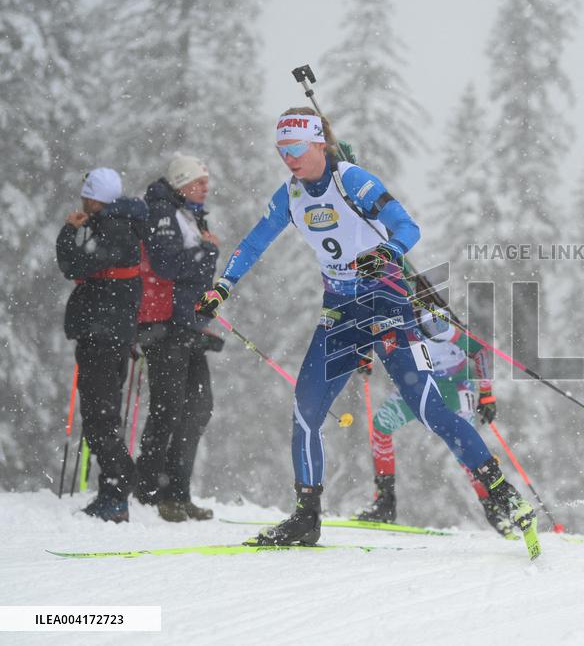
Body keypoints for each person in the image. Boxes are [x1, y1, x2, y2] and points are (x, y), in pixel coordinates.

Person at [196, 107, 538, 548]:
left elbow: (407, 227)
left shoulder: (352, 180)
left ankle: (500, 493)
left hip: (387, 304)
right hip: (341, 312)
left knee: (432, 409)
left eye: (297, 148)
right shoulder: (292, 195)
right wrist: (223, 285)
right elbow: (255, 241)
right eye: (282, 150)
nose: (289, 158)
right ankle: (306, 515)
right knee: (306, 408)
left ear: (319, 142)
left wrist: (388, 252)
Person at [354, 309, 513, 537]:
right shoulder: (385, 317)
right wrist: (365, 355)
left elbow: (479, 352)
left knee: (463, 449)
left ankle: (493, 506)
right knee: (381, 426)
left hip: (455, 387)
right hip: (421, 385)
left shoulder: (430, 320)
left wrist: (486, 393)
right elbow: (375, 338)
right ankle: (384, 503)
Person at [134, 154, 222, 522]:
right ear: (182, 184)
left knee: (198, 408)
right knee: (168, 410)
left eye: (205, 182)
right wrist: (208, 250)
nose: (205, 188)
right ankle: (151, 490)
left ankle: (178, 491)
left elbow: (189, 269)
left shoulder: (186, 213)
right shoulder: (163, 213)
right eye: (199, 182)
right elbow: (167, 264)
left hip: (187, 324)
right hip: (167, 327)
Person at [56, 168, 146, 522]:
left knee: (98, 417)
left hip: (102, 336)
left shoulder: (110, 227)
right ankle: (114, 489)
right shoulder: (123, 225)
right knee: (102, 414)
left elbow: (71, 264)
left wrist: (69, 231)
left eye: (87, 196)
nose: (83, 202)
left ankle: (120, 481)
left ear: (96, 198)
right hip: (113, 333)